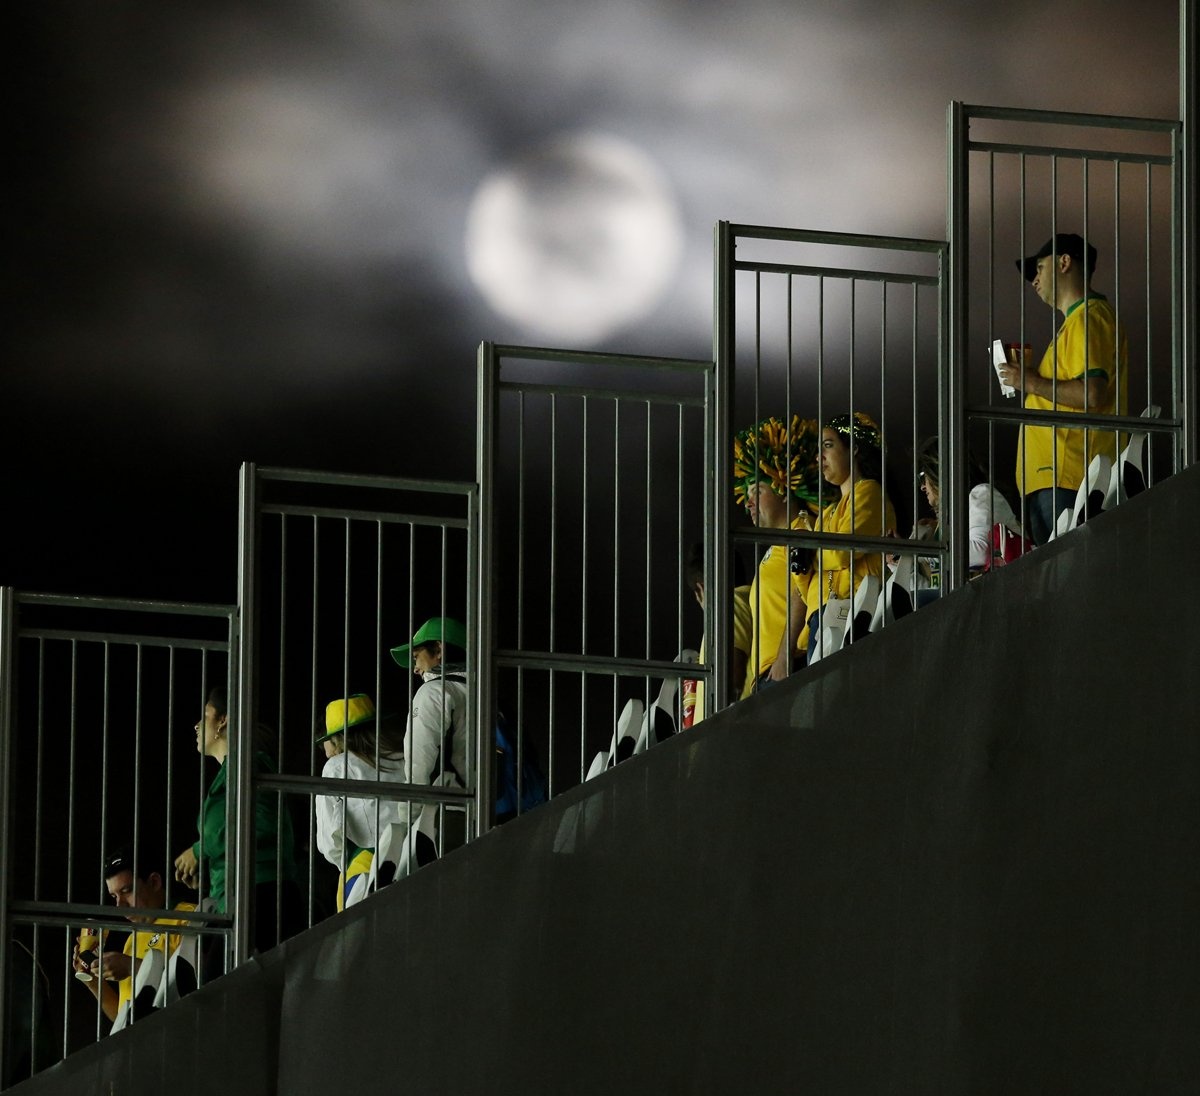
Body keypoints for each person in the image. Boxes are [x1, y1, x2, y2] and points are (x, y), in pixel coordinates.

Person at [997, 233, 1129, 544]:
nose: (1034, 280)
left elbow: (1092, 393)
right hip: (1056, 478)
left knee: (1068, 582)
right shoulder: (1077, 322)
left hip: (1069, 476)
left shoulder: (1089, 317)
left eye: (1039, 269)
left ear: (1064, 262)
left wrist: (1029, 382)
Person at [172, 687, 303, 975]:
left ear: (222, 721)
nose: (196, 725)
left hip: (264, 896)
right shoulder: (228, 773)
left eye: (204, 716)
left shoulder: (250, 764)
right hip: (237, 896)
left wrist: (200, 849)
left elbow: (264, 826)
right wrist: (211, 864)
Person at [781, 412, 896, 664]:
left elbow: (844, 550)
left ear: (853, 449)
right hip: (820, 619)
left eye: (828, 445)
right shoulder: (827, 513)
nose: (819, 456)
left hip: (854, 613)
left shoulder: (869, 491)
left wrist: (812, 552)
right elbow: (807, 586)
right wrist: (800, 556)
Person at [731, 415, 823, 688]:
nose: (748, 503)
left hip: (786, 671)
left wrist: (783, 659)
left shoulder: (803, 529)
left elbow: (802, 590)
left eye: (757, 490)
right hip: (768, 677)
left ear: (784, 488)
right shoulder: (776, 545)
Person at [72, 844, 196, 1029]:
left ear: (154, 882)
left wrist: (131, 966)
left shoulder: (189, 919)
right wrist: (94, 982)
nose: (120, 905)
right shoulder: (132, 939)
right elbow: (122, 1017)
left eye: (126, 891)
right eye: (114, 896)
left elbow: (195, 986)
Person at [315, 693, 410, 910]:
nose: (326, 752)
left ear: (337, 738)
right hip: (411, 852)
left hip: (365, 861)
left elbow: (329, 839)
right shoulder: (404, 756)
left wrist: (343, 861)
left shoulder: (336, 767)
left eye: (326, 743)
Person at [389, 617, 471, 853]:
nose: (415, 669)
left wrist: (407, 823)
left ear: (439, 649)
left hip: (448, 818)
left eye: (416, 656)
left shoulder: (434, 692)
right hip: (497, 814)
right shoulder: (487, 694)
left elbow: (418, 765)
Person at [908, 437, 1026, 597]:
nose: (922, 486)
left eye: (923, 476)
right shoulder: (946, 523)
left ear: (940, 470)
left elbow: (980, 552)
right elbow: (932, 586)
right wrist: (904, 561)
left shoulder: (981, 494)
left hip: (1002, 594)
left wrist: (926, 549)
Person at [684, 541, 752, 722]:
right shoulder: (751, 600)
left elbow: (732, 673)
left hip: (729, 733)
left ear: (700, 590)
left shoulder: (731, 606)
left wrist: (719, 728)